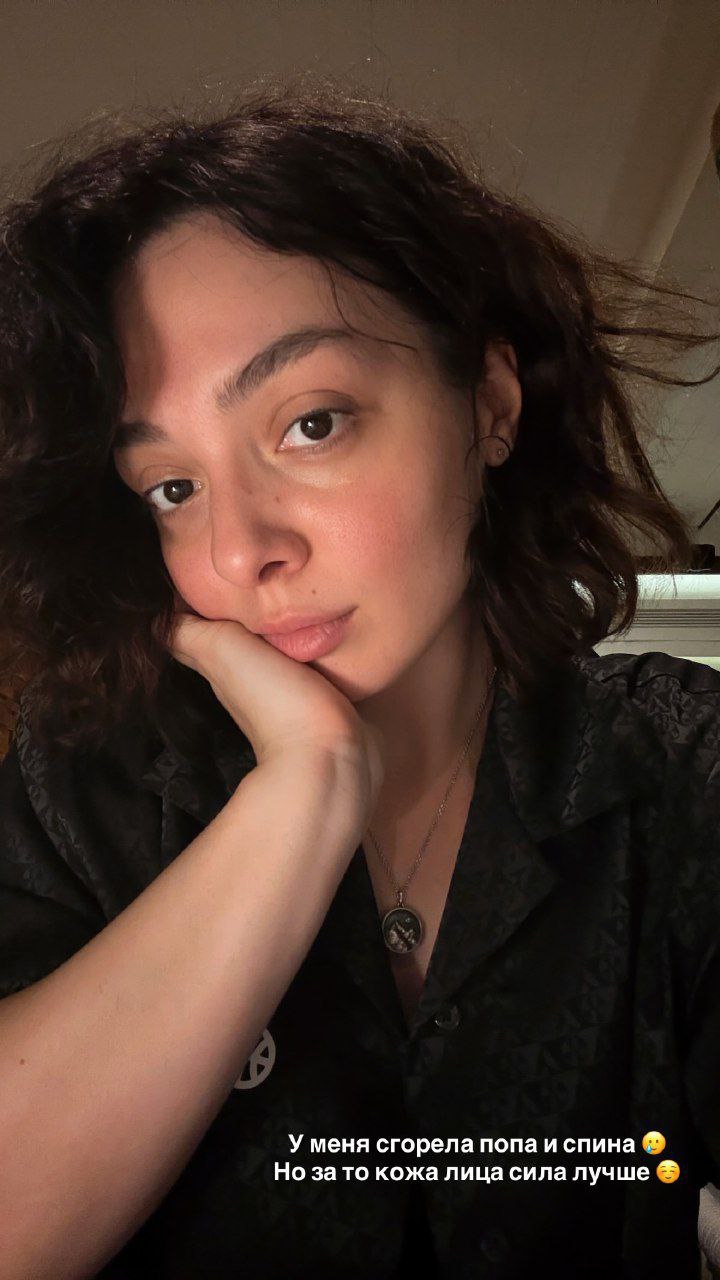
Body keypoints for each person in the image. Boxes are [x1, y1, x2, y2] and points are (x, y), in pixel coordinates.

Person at [0, 74, 718, 1280]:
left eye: (311, 422)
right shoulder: (86, 792)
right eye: (172, 486)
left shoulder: (679, 765)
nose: (240, 550)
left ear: (489, 404)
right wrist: (305, 790)